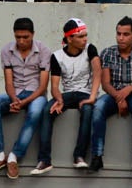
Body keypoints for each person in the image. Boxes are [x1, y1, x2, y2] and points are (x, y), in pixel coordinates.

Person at [0, 18, 51, 179]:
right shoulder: (7, 50)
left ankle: (14, 156)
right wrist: (14, 99)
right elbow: (8, 81)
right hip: (15, 93)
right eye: (18, 37)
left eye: (25, 37)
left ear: (33, 35)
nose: (21, 41)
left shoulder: (43, 50)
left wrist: (24, 102)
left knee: (36, 111)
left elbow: (43, 86)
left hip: (36, 95)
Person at [36, 18, 102, 174]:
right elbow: (54, 85)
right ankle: (44, 160)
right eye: (80, 36)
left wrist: (92, 97)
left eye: (86, 35)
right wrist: (58, 99)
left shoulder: (90, 49)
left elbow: (97, 71)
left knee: (87, 110)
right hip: (67, 94)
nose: (85, 39)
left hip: (85, 93)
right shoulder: (57, 56)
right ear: (69, 38)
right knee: (47, 109)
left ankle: (79, 156)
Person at [89, 16, 132, 175]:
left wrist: (130, 88)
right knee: (98, 108)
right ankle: (97, 156)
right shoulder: (108, 53)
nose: (121, 38)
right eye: (118, 34)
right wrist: (120, 97)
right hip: (114, 93)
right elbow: (106, 84)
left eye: (126, 34)